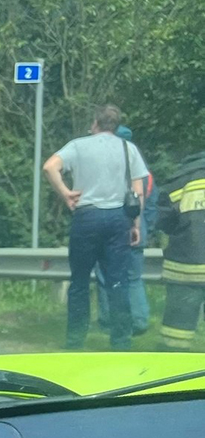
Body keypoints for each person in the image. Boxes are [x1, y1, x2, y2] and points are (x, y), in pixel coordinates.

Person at [43, 105, 148, 351]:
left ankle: (75, 341)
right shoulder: (128, 149)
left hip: (87, 217)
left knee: (79, 281)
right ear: (116, 126)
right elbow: (138, 191)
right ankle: (121, 341)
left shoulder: (78, 145)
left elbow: (50, 167)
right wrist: (135, 225)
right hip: (117, 218)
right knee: (118, 280)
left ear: (95, 124)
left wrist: (66, 194)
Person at [95, 126, 156, 334]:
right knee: (133, 277)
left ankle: (108, 320)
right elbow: (152, 204)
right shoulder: (145, 172)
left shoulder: (107, 166)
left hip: (112, 226)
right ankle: (139, 321)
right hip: (139, 229)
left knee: (105, 275)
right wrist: (145, 226)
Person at [156, 149, 205, 351]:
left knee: (177, 330)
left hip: (186, 265)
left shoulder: (182, 179)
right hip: (187, 263)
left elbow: (164, 219)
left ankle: (172, 364)